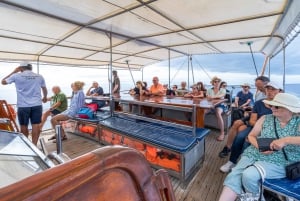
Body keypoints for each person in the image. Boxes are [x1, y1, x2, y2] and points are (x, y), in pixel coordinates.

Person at [218, 93, 300, 201]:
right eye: (271, 105)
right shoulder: (265, 118)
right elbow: (251, 136)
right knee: (234, 175)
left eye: (276, 106)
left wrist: (286, 140)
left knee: (249, 175)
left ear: (290, 109)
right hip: (255, 153)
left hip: (281, 160)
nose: (272, 108)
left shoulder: (298, 122)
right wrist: (260, 147)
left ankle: (254, 197)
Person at [219, 81, 281, 173]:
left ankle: (246, 165)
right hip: (255, 127)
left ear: (279, 91)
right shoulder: (259, 103)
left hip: (273, 132)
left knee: (247, 142)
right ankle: (232, 161)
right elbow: (252, 120)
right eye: (268, 89)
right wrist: (257, 129)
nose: (269, 91)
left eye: (273, 89)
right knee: (240, 136)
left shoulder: (282, 105)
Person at [1, 61, 47, 145]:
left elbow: (3, 82)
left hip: (23, 106)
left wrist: (14, 71)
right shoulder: (39, 76)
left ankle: (27, 145)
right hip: (37, 104)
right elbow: (44, 89)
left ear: (21, 68)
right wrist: (44, 97)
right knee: (36, 124)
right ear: (30, 68)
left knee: (23, 125)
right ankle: (34, 145)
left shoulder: (16, 75)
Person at [206, 76, 227, 141]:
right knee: (202, 112)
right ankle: (200, 128)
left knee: (218, 112)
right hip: (211, 105)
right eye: (215, 81)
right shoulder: (209, 90)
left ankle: (222, 133)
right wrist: (215, 97)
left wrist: (212, 97)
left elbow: (221, 96)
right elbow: (207, 97)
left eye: (218, 81)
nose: (217, 83)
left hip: (221, 105)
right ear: (213, 83)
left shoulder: (223, 90)